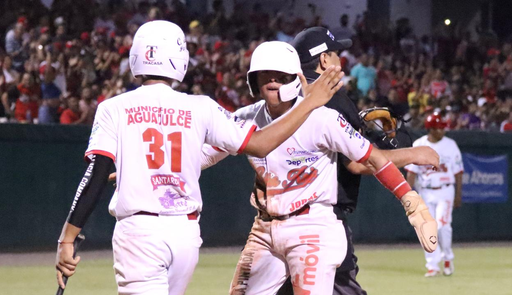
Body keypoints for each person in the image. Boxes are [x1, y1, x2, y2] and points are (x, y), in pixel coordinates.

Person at [54, 20, 345, 295]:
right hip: (185, 232)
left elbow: (95, 174)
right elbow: (259, 143)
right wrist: (310, 104)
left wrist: (68, 237)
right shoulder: (201, 107)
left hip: (139, 232)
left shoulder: (113, 107)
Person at [201, 40, 438, 294]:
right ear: (253, 81)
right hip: (264, 229)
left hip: (312, 226)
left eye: (281, 75)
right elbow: (202, 157)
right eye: (264, 74)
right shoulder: (246, 117)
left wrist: (412, 203)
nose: (272, 80)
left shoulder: (324, 118)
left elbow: (371, 158)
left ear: (296, 78)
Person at [405, 112, 464, 277]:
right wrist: (407, 195)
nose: (443, 130)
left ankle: (447, 258)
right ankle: (432, 265)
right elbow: (411, 173)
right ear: (430, 129)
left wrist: (458, 194)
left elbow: (459, 172)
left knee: (442, 225)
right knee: (426, 228)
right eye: (439, 127)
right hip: (425, 191)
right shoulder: (419, 144)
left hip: (445, 190)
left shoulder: (450, 145)